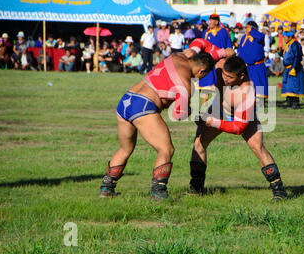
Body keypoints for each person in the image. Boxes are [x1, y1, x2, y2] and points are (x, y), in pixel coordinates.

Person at [98, 50, 216, 200]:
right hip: (144, 105)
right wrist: (201, 116)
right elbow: (178, 114)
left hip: (126, 100)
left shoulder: (177, 56)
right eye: (202, 76)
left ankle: (106, 189)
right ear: (202, 70)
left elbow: (187, 52)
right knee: (166, 149)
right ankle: (158, 193)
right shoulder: (186, 84)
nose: (199, 79)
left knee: (125, 148)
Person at [190, 56, 288, 201]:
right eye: (224, 74)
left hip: (241, 117)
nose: (225, 79)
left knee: (258, 148)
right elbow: (208, 52)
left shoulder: (247, 92)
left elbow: (238, 128)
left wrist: (211, 121)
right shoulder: (221, 67)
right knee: (198, 144)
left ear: (241, 76)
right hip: (219, 110)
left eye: (229, 77)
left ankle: (279, 191)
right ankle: (196, 188)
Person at [199, 13, 233, 91]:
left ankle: (219, 102)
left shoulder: (223, 32)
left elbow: (228, 46)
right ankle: (205, 103)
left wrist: (227, 58)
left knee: (221, 83)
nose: (209, 22)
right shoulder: (206, 32)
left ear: (216, 22)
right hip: (208, 60)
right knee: (206, 84)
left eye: (211, 20)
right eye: (209, 20)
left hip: (220, 60)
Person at [237, 21, 268, 101]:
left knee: (259, 84)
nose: (246, 29)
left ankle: (261, 101)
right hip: (247, 67)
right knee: (247, 85)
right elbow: (240, 50)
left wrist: (252, 30)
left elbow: (260, 37)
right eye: (246, 27)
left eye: (248, 27)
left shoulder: (259, 35)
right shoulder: (244, 37)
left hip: (257, 66)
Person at [281, 30, 304, 109]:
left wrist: (294, 68)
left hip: (294, 68)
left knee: (294, 86)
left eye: (285, 37)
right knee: (288, 86)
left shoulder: (295, 44)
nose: (284, 38)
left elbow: (297, 56)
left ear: (290, 37)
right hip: (288, 68)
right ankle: (289, 102)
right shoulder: (288, 44)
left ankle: (295, 103)